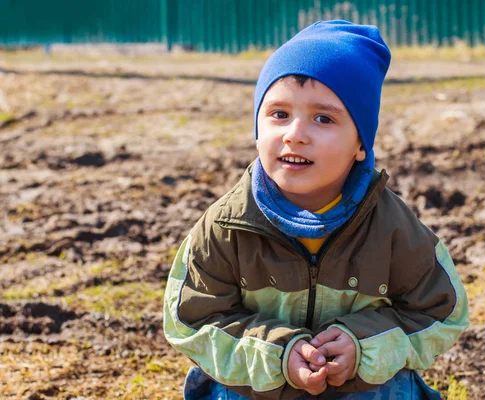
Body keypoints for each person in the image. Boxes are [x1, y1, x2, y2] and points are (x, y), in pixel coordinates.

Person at [163, 20, 469, 400]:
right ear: (257, 128)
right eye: (278, 114)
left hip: (358, 389)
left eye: (323, 118)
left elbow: (441, 313)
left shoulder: (392, 229)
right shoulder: (225, 227)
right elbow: (192, 322)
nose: (295, 133)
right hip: (257, 388)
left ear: (361, 144)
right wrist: (277, 355)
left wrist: (362, 345)